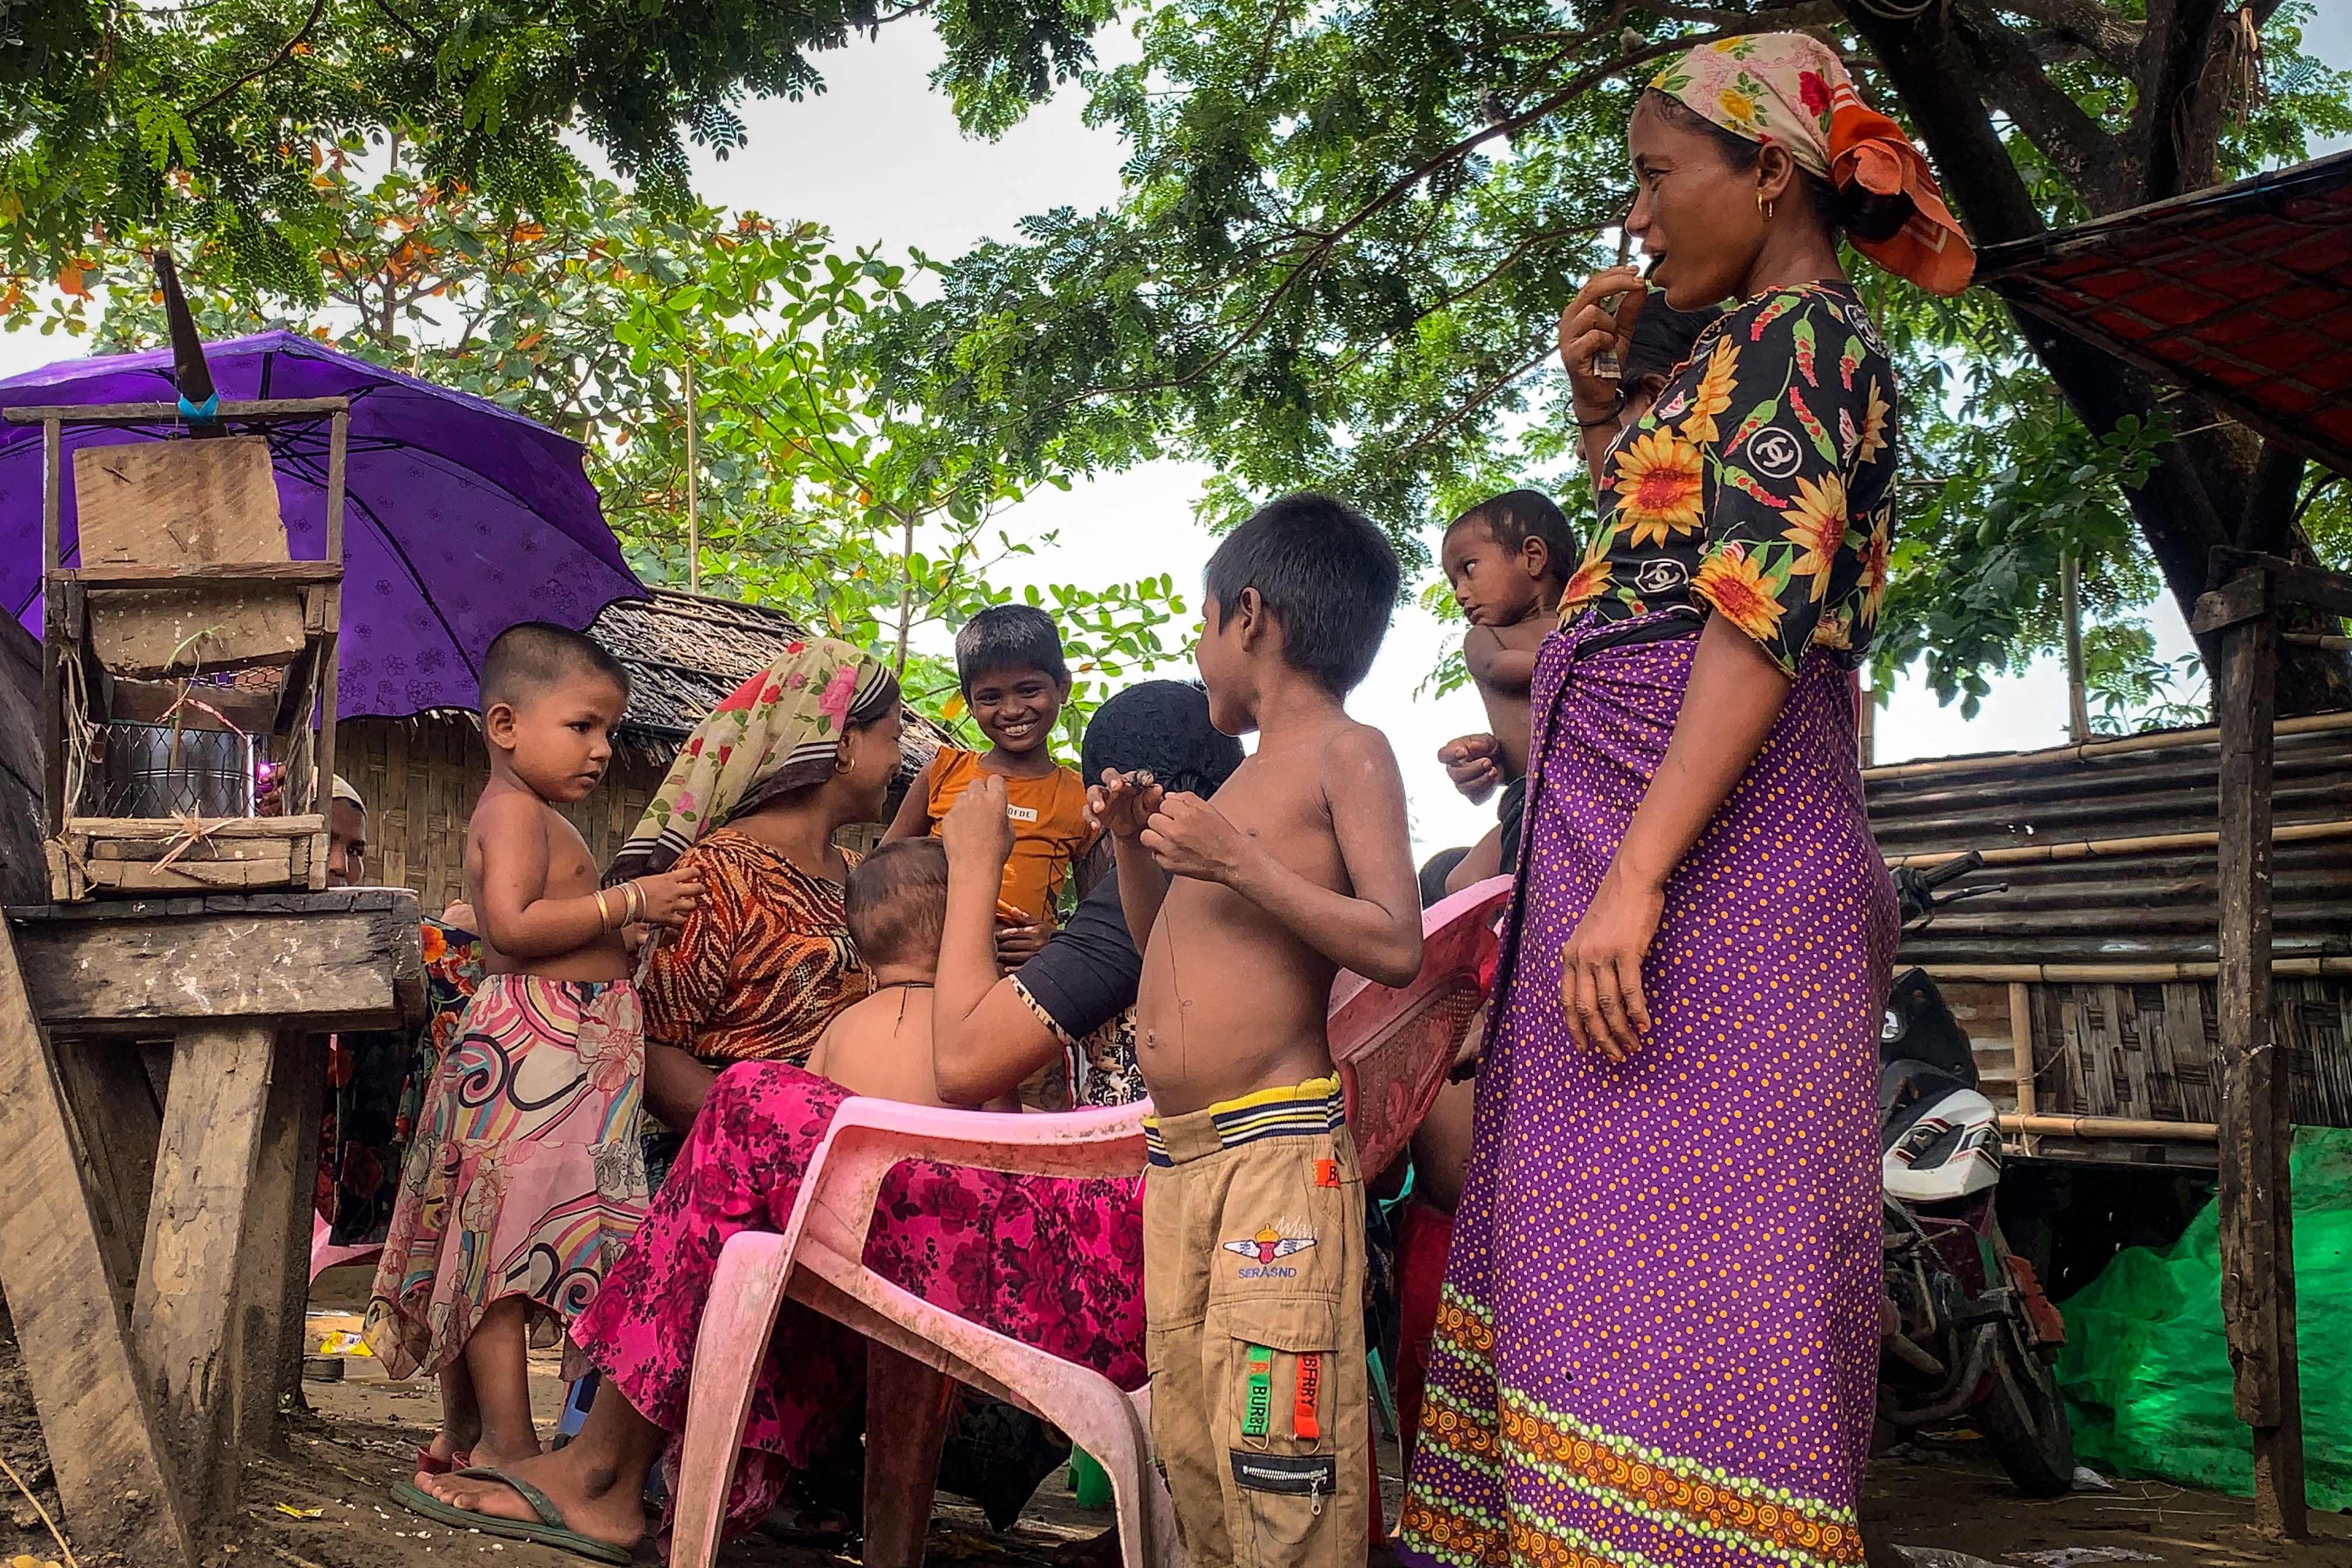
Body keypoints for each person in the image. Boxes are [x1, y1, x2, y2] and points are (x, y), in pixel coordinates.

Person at [1396, 33, 1970, 1568]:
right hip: (1642, 864)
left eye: (1657, 178)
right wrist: (1602, 409)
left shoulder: (1809, 341)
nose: (1638, 220)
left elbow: (1752, 617)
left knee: (1705, 1290)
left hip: (1715, 882)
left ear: (1770, 170)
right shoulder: (1730, 352)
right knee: (1593, 1277)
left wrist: (1637, 877)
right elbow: (1648, 567)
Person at [400, 677, 1242, 1561]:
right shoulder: (1192, 901)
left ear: (1112, 796)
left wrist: (977, 869)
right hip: (1104, 1233)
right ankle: (654, 1475)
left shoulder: (1137, 915)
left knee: (754, 1111)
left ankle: (610, 1472)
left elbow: (966, 1066)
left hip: (1080, 1258)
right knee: (768, 1149)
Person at [1093, 491, 1422, 1568]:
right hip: (1183, 1157)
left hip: (1278, 1153)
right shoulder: (1236, 782)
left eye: (1201, 623)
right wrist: (1135, 846)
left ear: (1248, 615)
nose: (1198, 653)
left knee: (1280, 1445)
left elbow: (1395, 940)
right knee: (1194, 1437)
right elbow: (1162, 948)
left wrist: (1240, 862)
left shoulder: (1348, 751)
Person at [364, 622, 701, 1474]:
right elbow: (513, 927)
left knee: (492, 1238)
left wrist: (616, 941)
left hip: (564, 1054)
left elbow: (545, 925)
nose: (602, 749)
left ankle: (465, 1435)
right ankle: (510, 1448)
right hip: (533, 1051)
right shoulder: (514, 812)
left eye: (610, 730)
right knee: (503, 1249)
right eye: (582, 725)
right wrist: (628, 904)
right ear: (506, 726)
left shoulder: (536, 814)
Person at [612, 640, 906, 1184]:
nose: (899, 761)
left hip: (847, 1170)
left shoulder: (857, 875)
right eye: (895, 738)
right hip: (736, 1178)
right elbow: (652, 1046)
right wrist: (774, 1141)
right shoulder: (718, 873)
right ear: (844, 744)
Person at [1432, 297, 1723, 842]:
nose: (1462, 592)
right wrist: (1490, 758)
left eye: (1608, 412)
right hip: (1563, 801)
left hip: (1628, 810)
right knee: (1452, 876)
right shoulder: (1586, 601)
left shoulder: (1697, 553)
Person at [886, 604, 1096, 970]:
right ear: (969, 702)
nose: (1012, 710)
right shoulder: (942, 773)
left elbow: (1098, 913)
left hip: (1021, 979)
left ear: (1063, 686)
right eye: (990, 697)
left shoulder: (1079, 796)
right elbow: (883, 870)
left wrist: (1057, 941)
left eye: (1029, 690)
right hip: (931, 969)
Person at [1433, 489, 1576, 894]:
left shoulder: (1591, 622)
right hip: (1533, 797)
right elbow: (1498, 668)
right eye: (1454, 582)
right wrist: (1486, 763)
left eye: (1468, 569)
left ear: (1532, 557)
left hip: (1606, 786)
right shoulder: (1487, 638)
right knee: (1461, 883)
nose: (1460, 593)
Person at [804, 839, 960, 1107]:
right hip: (944, 1138)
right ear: (962, 933)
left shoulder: (840, 1027)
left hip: (853, 1136)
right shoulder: (969, 1030)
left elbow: (803, 1103)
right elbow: (1006, 1124)